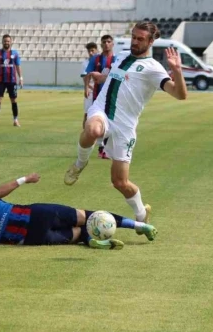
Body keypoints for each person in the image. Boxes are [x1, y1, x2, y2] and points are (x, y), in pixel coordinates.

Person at [64, 22, 187, 225]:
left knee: (120, 182)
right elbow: (116, 77)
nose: (135, 42)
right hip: (102, 111)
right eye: (133, 37)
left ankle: (141, 214)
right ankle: (79, 163)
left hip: (124, 127)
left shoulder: (153, 69)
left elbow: (180, 94)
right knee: (93, 129)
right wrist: (100, 77)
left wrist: (177, 71)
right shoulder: (121, 56)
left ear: (151, 41)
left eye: (140, 39)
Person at [0, 169, 158, 249]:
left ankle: (94, 240)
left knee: (75, 235)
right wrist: (24, 180)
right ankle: (139, 225)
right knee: (87, 216)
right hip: (33, 214)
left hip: (26, 238)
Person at [83, 35, 117, 158]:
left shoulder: (117, 60)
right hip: (97, 96)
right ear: (101, 45)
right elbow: (87, 74)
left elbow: (122, 78)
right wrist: (86, 87)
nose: (106, 44)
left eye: (109, 41)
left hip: (112, 96)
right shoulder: (95, 59)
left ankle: (104, 148)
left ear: (113, 44)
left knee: (110, 122)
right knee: (95, 119)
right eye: (104, 42)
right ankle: (101, 148)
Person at [0, 34, 23, 127]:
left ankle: (15, 120)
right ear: (2, 42)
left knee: (14, 100)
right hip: (1, 80)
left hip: (12, 80)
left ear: (11, 42)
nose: (7, 42)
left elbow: (18, 66)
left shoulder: (15, 53)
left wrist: (21, 78)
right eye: (5, 41)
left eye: (8, 41)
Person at [80, 42, 99, 128]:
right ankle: (85, 135)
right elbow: (85, 78)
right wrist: (87, 88)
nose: (91, 53)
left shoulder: (101, 61)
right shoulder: (85, 63)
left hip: (101, 91)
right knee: (87, 114)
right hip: (91, 92)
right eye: (89, 51)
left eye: (92, 50)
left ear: (96, 50)